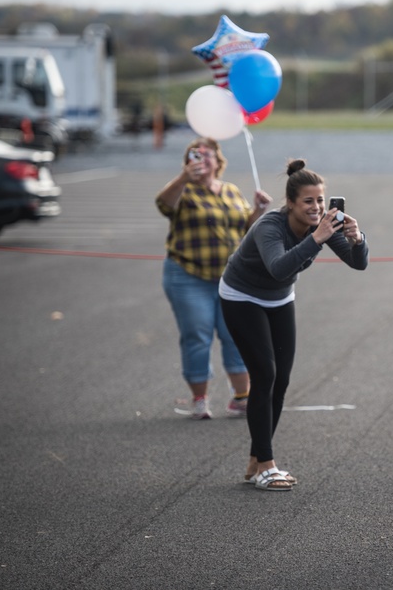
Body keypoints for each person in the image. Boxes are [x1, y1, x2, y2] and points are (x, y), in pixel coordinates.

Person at [220, 159, 368, 490]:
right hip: (241, 296)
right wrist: (317, 238)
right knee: (265, 375)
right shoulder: (270, 227)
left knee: (282, 380)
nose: (317, 207)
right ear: (290, 203)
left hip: (279, 298)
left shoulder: (323, 226)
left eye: (320, 200)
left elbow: (358, 264)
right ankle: (266, 466)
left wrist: (357, 240)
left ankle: (257, 458)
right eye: (308, 201)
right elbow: (278, 267)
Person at [156, 137, 272, 420]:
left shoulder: (230, 191)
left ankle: (242, 399)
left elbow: (246, 226)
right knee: (197, 335)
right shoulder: (183, 190)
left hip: (230, 279)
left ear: (219, 162)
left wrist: (258, 210)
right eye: (196, 155)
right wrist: (184, 177)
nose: (202, 159)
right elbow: (163, 204)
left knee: (236, 335)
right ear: (187, 162)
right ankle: (199, 400)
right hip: (187, 275)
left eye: (209, 155)